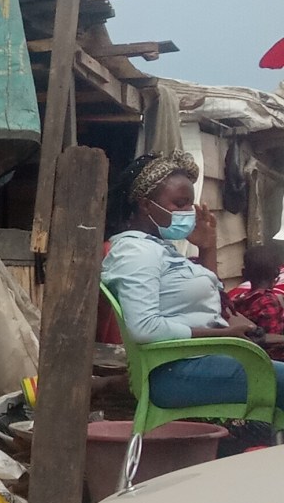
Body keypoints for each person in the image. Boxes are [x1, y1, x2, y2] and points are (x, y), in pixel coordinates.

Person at [102, 151, 284, 401]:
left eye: (190, 203)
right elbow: (144, 328)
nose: (189, 212)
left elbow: (214, 303)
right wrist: (224, 336)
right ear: (145, 205)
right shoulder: (136, 252)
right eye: (180, 204)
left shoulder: (160, 248)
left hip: (199, 362)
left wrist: (207, 247)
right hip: (175, 371)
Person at [223, 242, 284, 349]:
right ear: (277, 274)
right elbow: (269, 339)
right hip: (266, 355)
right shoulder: (269, 302)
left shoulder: (237, 299)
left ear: (244, 273)